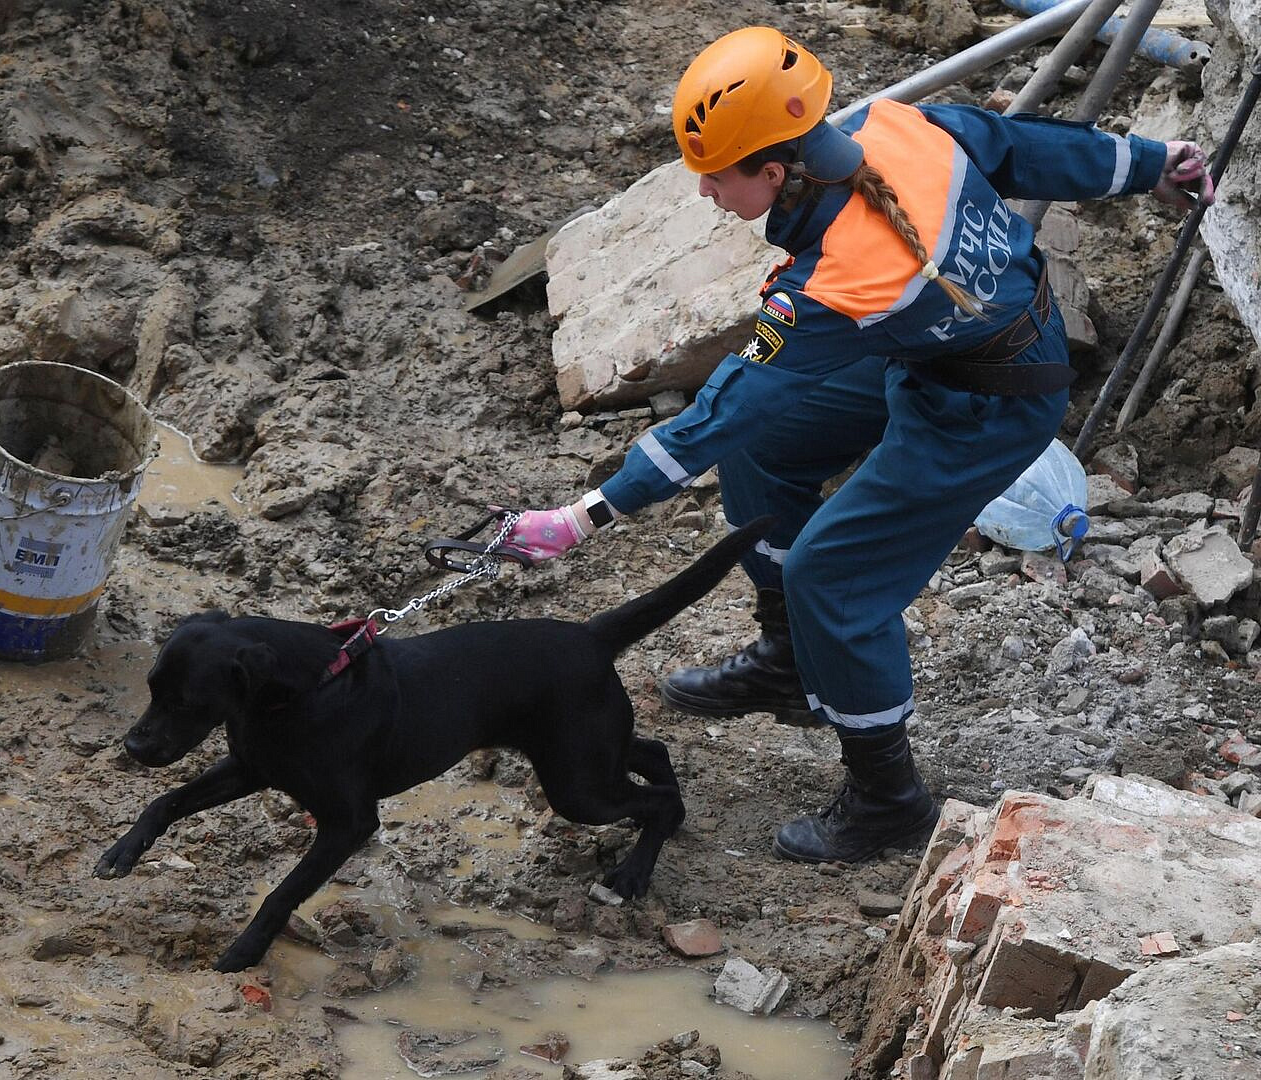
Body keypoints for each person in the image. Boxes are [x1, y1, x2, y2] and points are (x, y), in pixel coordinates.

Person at [498, 27, 1214, 865]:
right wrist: (1153, 161)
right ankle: (790, 664)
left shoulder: (839, 280)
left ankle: (887, 799)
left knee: (831, 577)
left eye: (715, 175)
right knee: (765, 449)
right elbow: (1024, 147)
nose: (702, 193)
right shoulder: (894, 125)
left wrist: (585, 515)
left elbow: (720, 409)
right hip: (936, 355)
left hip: (985, 408)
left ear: (774, 172)